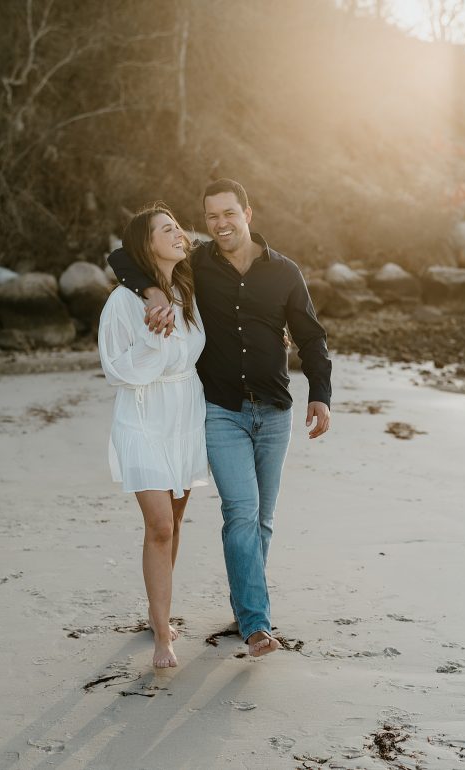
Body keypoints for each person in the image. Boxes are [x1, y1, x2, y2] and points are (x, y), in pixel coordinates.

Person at [108, 179, 332, 658]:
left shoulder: (285, 272)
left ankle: (246, 605)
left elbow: (311, 338)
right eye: (211, 216)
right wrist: (151, 291)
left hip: (275, 412)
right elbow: (123, 255)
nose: (220, 223)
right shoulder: (198, 263)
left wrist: (321, 395)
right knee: (241, 512)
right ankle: (255, 624)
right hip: (219, 412)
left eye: (229, 213)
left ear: (248, 213)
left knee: (262, 519)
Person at [99, 202, 207, 669]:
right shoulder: (123, 302)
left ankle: (156, 610)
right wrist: (153, 337)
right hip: (142, 417)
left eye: (179, 227)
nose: (179, 234)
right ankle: (163, 636)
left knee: (176, 522)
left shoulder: (188, 286)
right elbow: (115, 369)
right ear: (148, 244)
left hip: (185, 416)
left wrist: (156, 290)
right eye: (167, 230)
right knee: (159, 525)